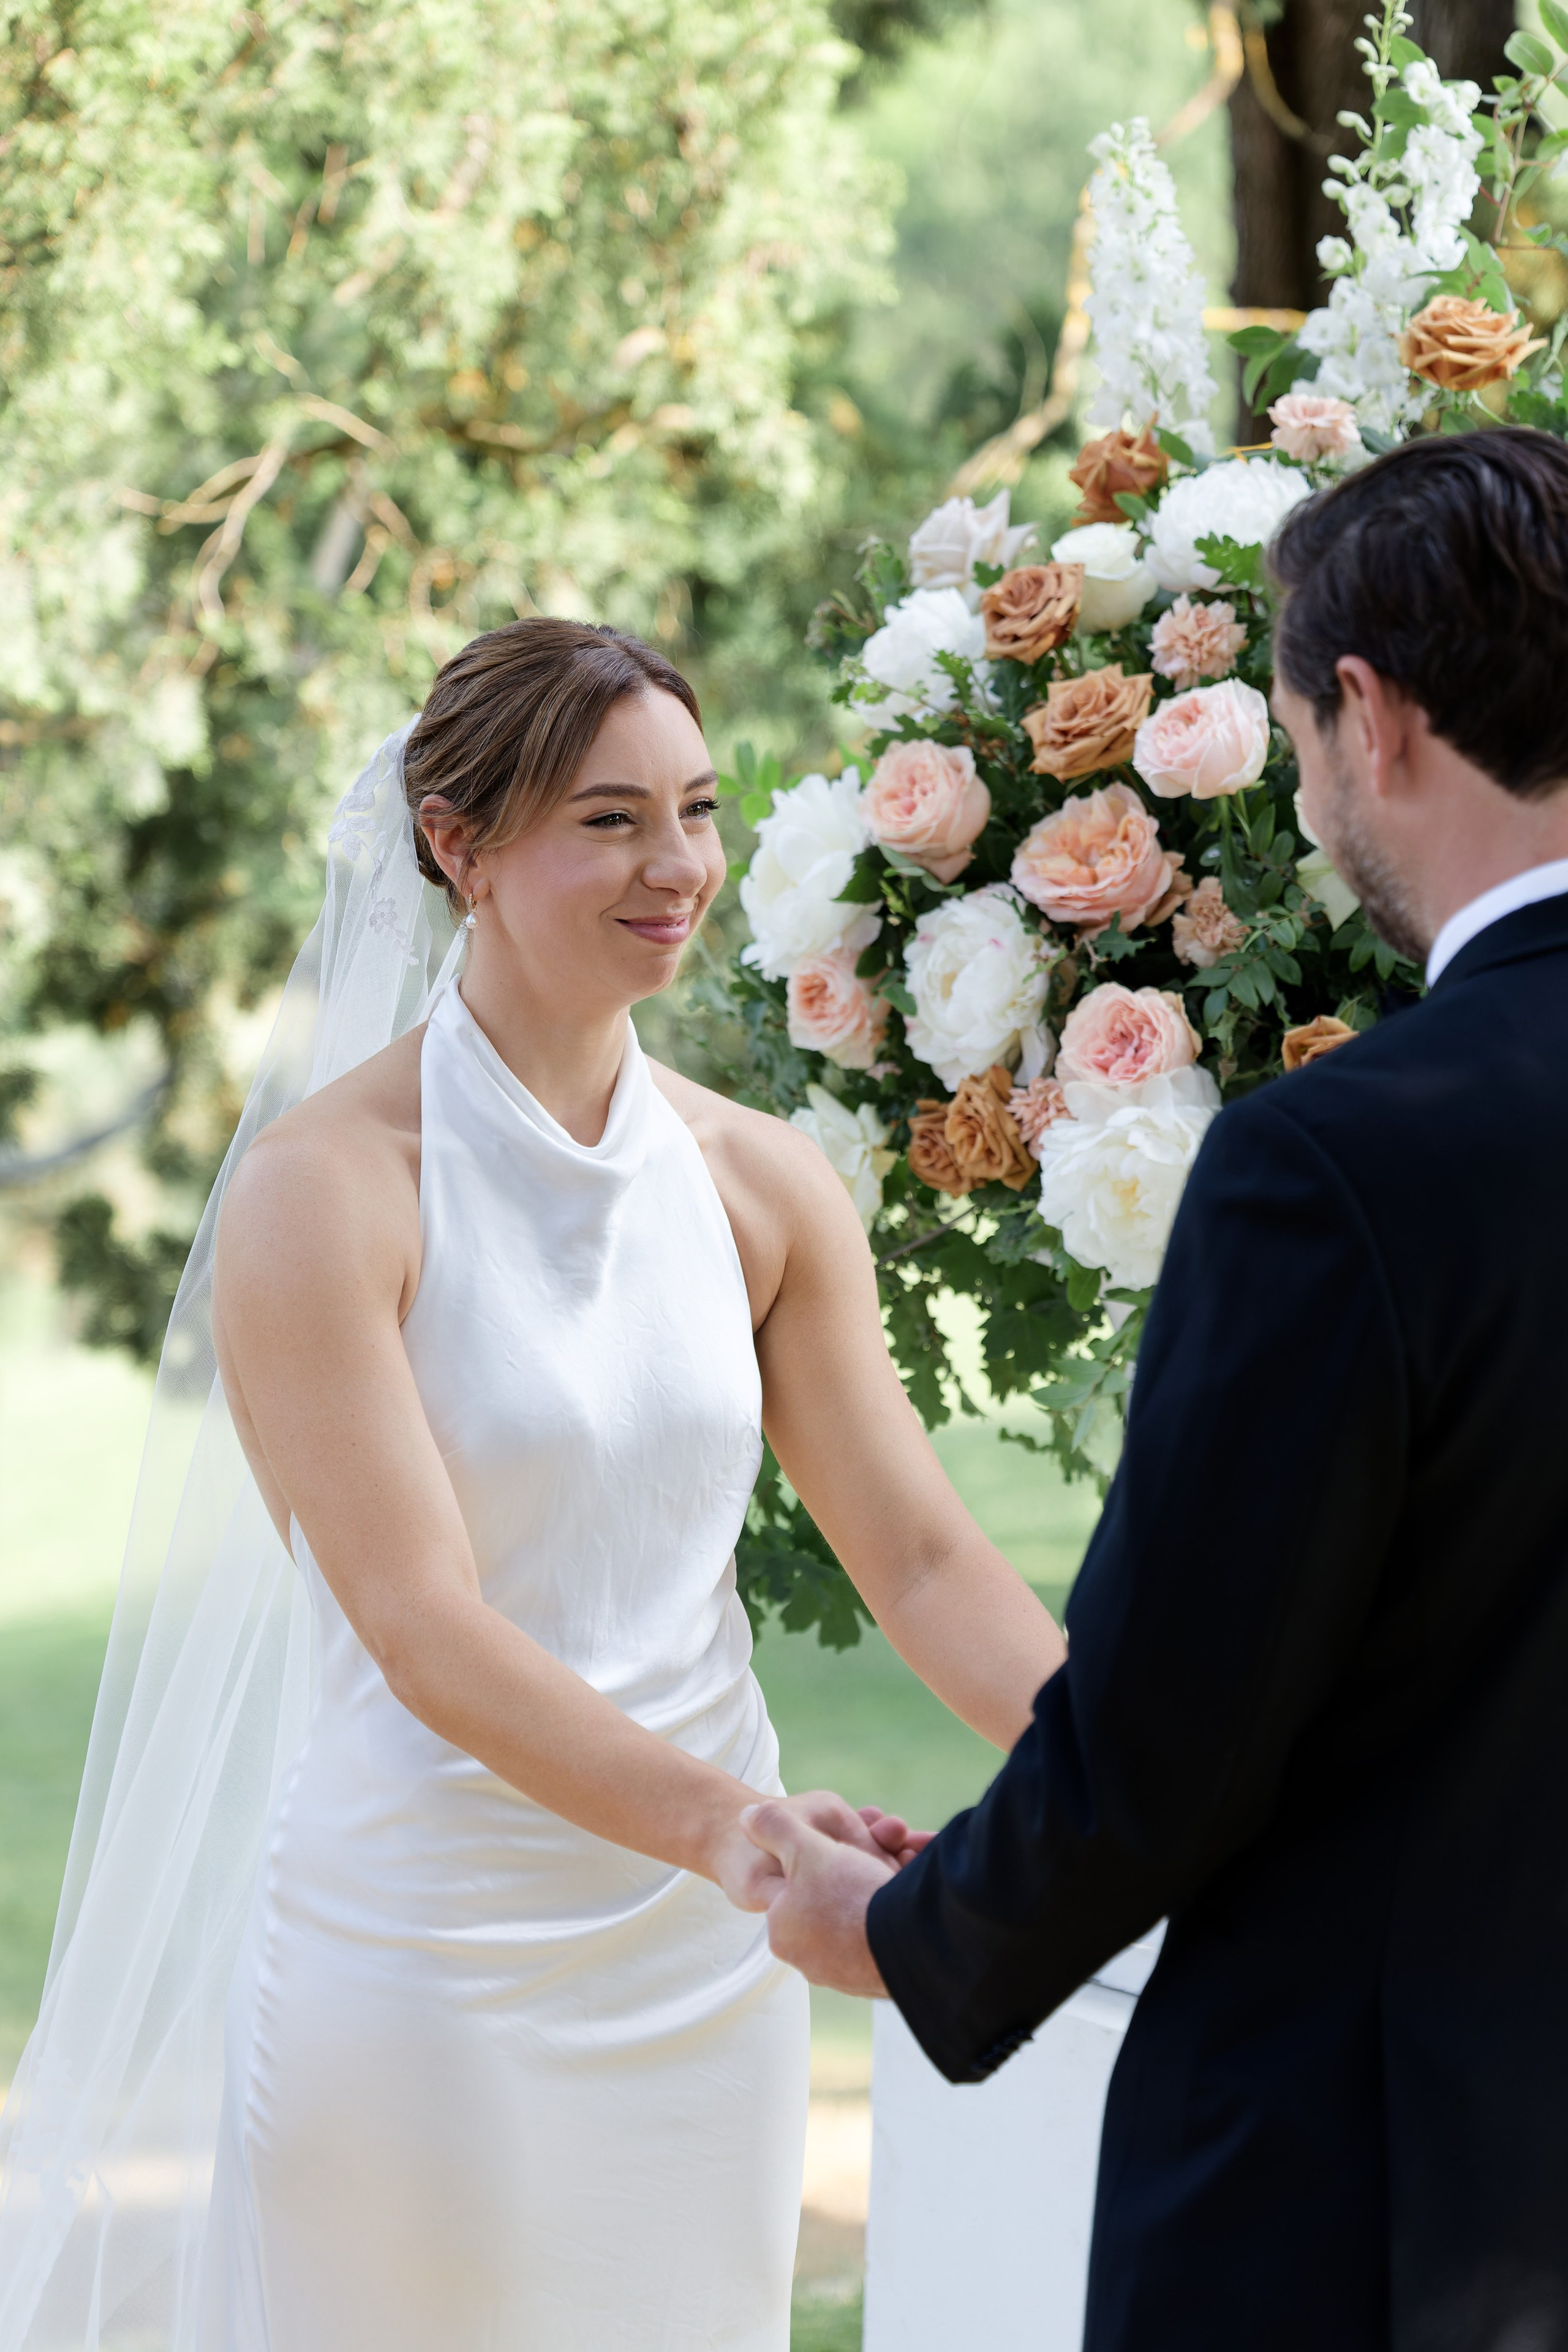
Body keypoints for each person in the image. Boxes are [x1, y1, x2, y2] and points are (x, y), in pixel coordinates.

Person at [745, 424, 1568, 2351]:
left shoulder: (1342, 1161)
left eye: (1288, 737)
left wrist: (911, 1931)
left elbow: (1185, 1717)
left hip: (1395, 2191)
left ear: (1370, 712)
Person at [157, 620, 1062, 2351]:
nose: (679, 869)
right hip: (433, 1953)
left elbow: (929, 1559)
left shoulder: (765, 1186)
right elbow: (421, 1624)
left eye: (701, 812)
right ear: (457, 847)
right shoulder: (326, 1192)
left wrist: (1138, 1761)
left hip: (706, 1968)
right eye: (608, 821)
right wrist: (738, 1836)